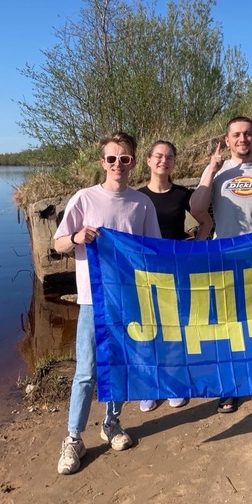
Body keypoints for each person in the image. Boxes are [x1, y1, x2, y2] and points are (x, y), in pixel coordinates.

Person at [53, 131, 162, 475]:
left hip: (127, 300)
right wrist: (76, 237)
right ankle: (73, 438)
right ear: (103, 163)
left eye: (125, 158)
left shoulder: (141, 203)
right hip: (91, 300)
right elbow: (57, 244)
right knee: (86, 372)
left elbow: (153, 250)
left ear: (133, 162)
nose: (118, 164)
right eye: (112, 158)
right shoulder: (84, 199)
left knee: (120, 366)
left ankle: (112, 422)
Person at [190, 116, 252, 413]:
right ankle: (231, 386)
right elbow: (197, 208)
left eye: (248, 134)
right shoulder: (216, 172)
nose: (242, 139)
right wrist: (211, 169)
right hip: (226, 257)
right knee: (230, 324)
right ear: (227, 140)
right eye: (236, 134)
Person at [137, 140, 213, 412]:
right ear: (148, 160)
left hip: (177, 270)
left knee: (175, 328)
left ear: (173, 162)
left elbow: (206, 222)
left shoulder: (182, 194)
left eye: (169, 157)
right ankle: (150, 386)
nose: (163, 161)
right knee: (149, 329)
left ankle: (175, 384)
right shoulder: (137, 196)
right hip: (146, 272)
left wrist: (194, 248)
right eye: (158, 156)